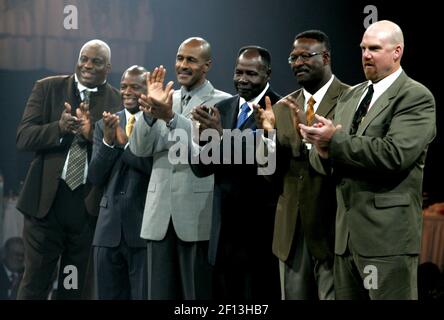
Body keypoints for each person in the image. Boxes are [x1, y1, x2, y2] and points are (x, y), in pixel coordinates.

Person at [299, 20, 436, 299]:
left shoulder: (415, 96)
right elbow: (324, 159)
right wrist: (322, 152)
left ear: (397, 52)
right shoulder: (352, 95)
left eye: (374, 48)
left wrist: (333, 142)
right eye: (363, 48)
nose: (366, 55)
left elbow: (394, 154)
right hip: (345, 240)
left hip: (386, 241)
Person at [16, 39, 121, 299]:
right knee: (34, 284)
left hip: (86, 211)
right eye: (83, 58)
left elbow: (117, 156)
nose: (87, 65)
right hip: (44, 207)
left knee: (74, 288)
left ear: (108, 67)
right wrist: (59, 129)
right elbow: (23, 137)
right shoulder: (47, 88)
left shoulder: (117, 100)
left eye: (96, 61)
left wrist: (89, 135)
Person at [129, 37, 230, 299]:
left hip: (196, 216)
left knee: (195, 297)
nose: (182, 65)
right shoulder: (164, 98)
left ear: (206, 66)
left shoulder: (224, 102)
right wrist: (150, 114)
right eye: (180, 58)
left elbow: (205, 152)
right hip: (159, 215)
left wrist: (171, 118)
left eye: (191, 60)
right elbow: (139, 148)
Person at [255, 30, 350, 299]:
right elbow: (268, 175)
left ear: (326, 57)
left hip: (334, 229)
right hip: (292, 232)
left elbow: (350, 161)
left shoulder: (351, 99)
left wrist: (313, 140)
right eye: (293, 57)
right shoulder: (283, 107)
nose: (298, 63)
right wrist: (268, 136)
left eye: (306, 56)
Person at [190, 46, 281, 299]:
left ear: (267, 74)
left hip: (260, 234)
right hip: (222, 232)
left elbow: (268, 163)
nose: (242, 79)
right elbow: (201, 169)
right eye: (238, 72)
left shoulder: (280, 109)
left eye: (250, 74)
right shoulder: (223, 107)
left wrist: (220, 138)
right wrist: (200, 141)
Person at [88, 65, 152, 299]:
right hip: (108, 230)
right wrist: (107, 142)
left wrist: (125, 145)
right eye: (124, 86)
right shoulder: (104, 124)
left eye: (135, 87)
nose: (127, 92)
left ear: (148, 90)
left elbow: (152, 169)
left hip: (143, 231)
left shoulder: (157, 123)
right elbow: (95, 177)